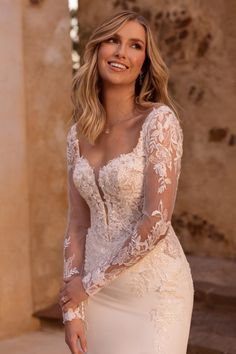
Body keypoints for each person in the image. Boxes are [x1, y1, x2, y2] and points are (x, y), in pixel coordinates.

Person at [59, 10, 194, 354]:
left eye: (135, 46)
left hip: (156, 293)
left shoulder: (158, 123)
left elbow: (157, 221)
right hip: (96, 298)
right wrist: (72, 306)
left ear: (144, 63)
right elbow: (77, 225)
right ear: (97, 50)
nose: (121, 52)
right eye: (113, 41)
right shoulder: (78, 135)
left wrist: (87, 285)